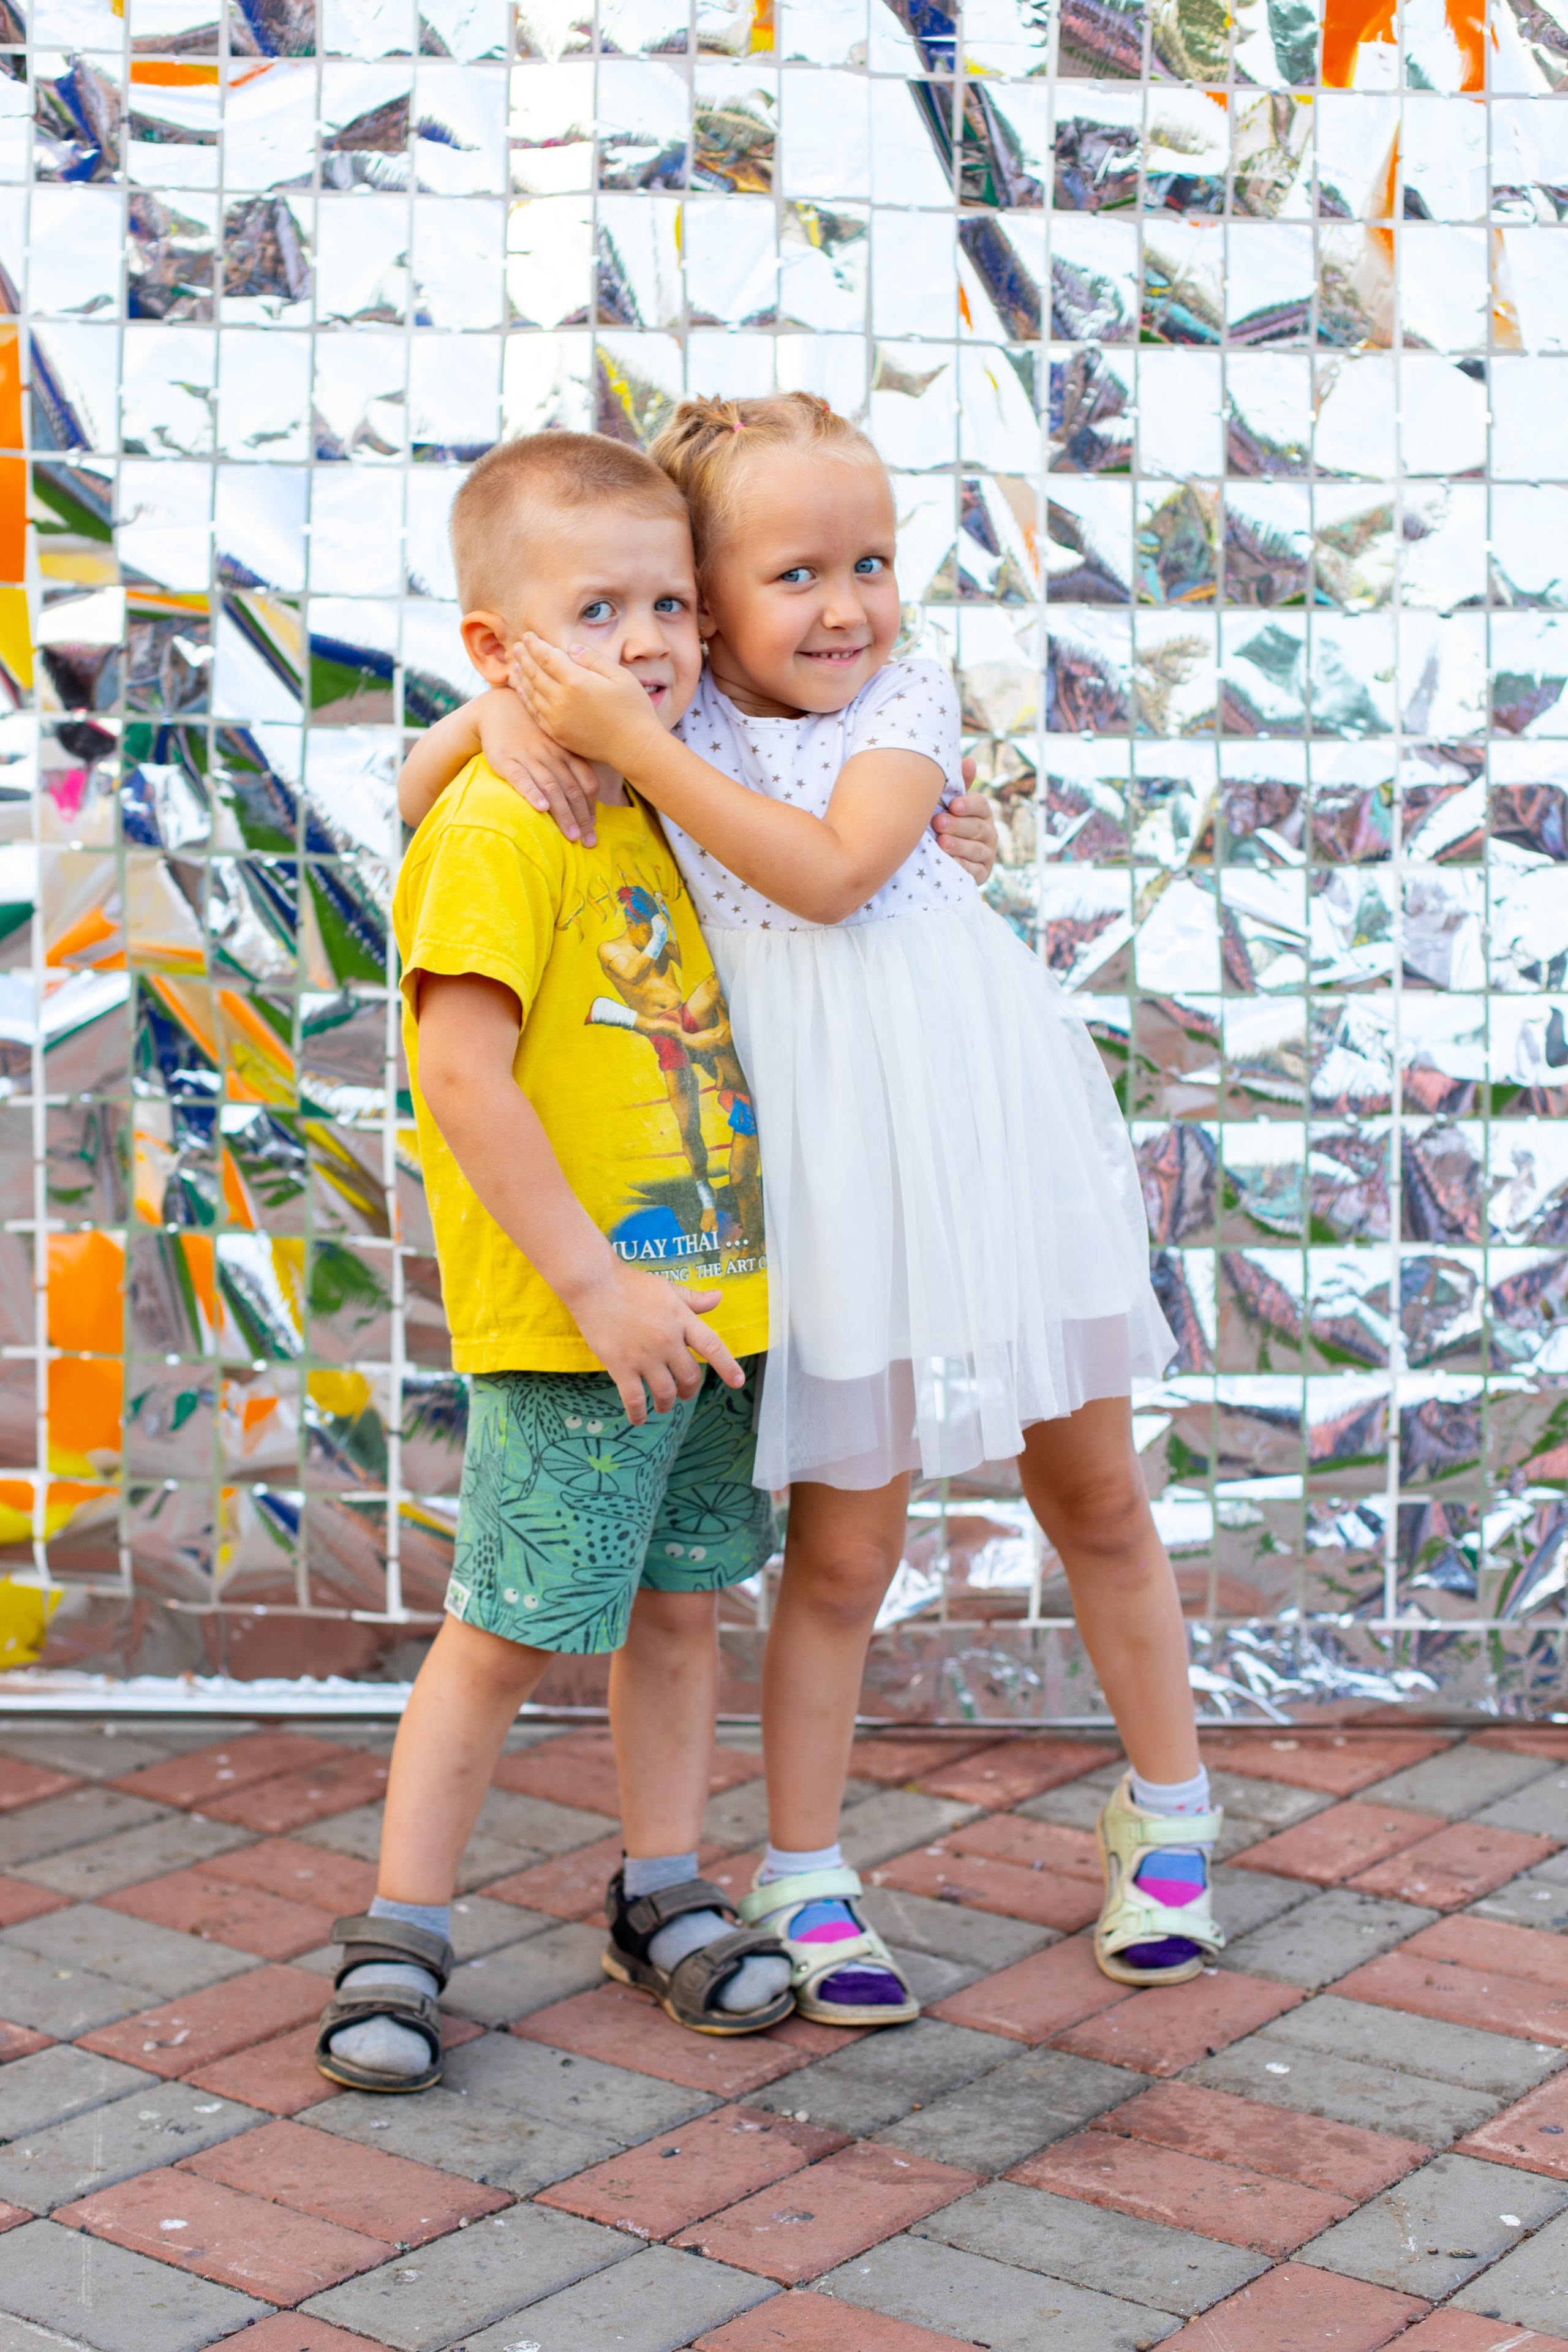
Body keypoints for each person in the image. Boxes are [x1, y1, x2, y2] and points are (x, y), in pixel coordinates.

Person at [402, 398, 1217, 2025]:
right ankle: (805, 1868)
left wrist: (628, 743)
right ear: (698, 602)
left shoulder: (895, 702)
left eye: (873, 562)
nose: (846, 605)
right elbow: (416, 775)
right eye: (792, 574)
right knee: (843, 1552)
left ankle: (1172, 1809)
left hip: (980, 1133)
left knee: (1101, 1492)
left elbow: (839, 873)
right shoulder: (663, 699)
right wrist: (505, 724)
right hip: (821, 1179)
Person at [316, 430, 807, 2092]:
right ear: (499, 651)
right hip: (579, 1321)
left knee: (680, 1609)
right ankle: (402, 1928)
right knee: (509, 1630)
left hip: (713, 1310)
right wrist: (593, 1281)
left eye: (669, 602)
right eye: (596, 610)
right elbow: (459, 1075)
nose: (653, 642)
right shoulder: (500, 820)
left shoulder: (665, 800)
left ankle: (660, 1888)